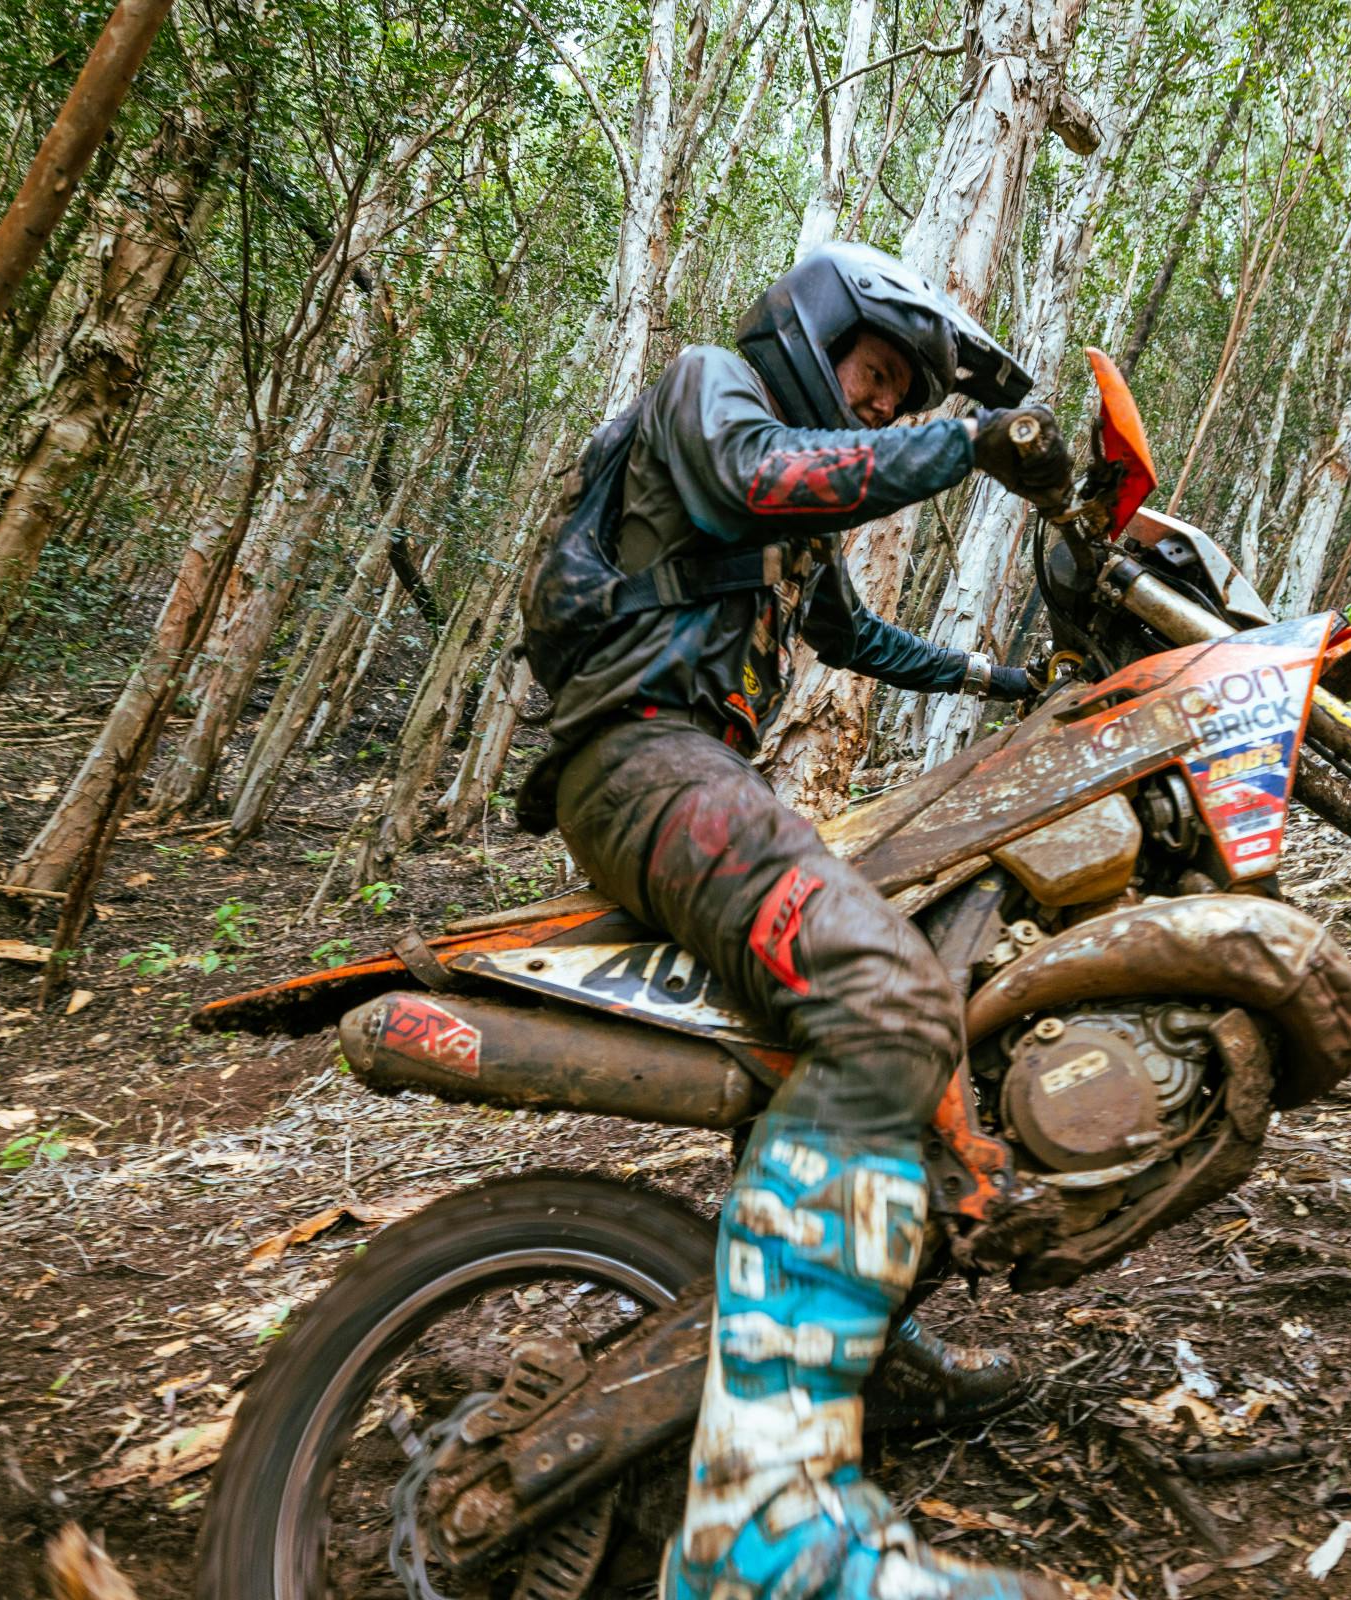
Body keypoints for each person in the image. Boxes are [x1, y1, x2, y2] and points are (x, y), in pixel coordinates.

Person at [515, 242, 1071, 1600]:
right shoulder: (709, 389)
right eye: (873, 377)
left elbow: (857, 635)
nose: (877, 407)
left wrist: (1007, 680)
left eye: (897, 399)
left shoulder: (790, 519)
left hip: (694, 775)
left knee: (923, 967)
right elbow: (761, 476)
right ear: (813, 333)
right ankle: (763, 1527)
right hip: (641, 763)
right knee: (890, 1000)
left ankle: (850, 1335)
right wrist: (968, 441)